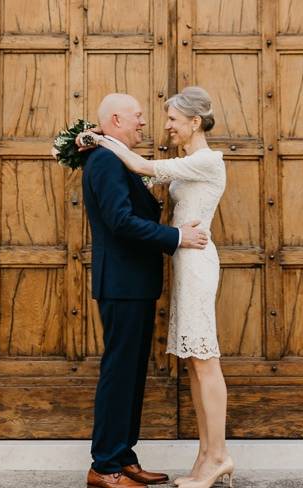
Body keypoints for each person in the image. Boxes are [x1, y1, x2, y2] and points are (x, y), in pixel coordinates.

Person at [80, 87, 234, 488]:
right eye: (138, 116)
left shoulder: (198, 161)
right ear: (116, 121)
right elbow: (120, 221)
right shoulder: (105, 161)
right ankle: (107, 466)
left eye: (169, 118)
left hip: (164, 273)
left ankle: (127, 456)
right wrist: (175, 237)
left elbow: (144, 173)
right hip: (127, 280)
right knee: (122, 371)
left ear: (194, 121)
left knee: (137, 371)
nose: (149, 124)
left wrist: (96, 138)